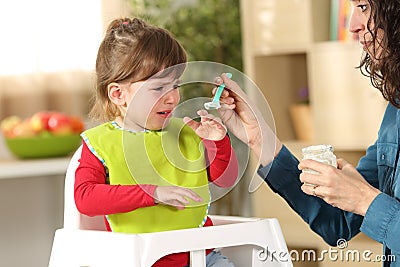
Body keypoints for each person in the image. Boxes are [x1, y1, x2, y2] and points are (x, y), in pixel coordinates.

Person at [215, 0, 399, 266]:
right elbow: (338, 224)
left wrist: (366, 201)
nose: (352, 27)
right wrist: (259, 136)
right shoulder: (395, 113)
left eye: (363, 7)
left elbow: (364, 205)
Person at [74, 17, 238, 267]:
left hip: (202, 258)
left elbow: (221, 177)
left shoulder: (184, 131)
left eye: (176, 85)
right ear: (118, 94)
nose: (173, 98)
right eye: (159, 88)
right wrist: (152, 193)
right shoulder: (101, 144)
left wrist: (219, 142)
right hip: (140, 261)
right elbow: (85, 198)